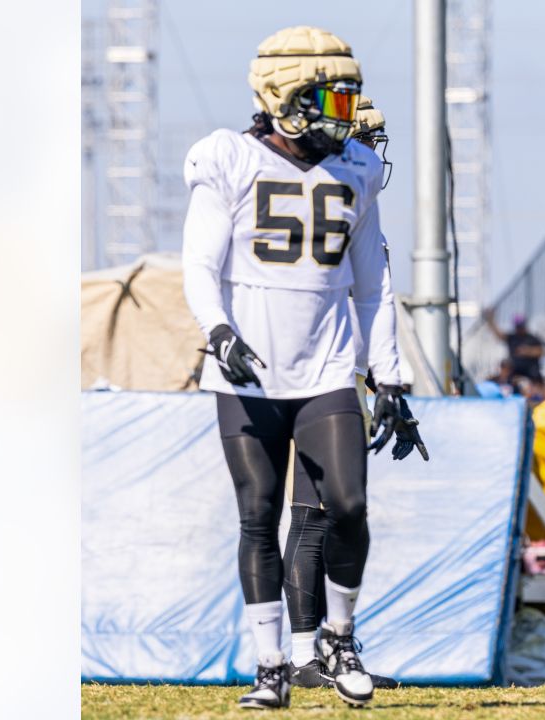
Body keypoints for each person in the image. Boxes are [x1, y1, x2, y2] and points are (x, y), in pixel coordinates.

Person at [181, 25, 426, 710]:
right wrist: (221, 332)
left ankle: (339, 638)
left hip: (325, 369)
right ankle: (271, 665)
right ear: (287, 97)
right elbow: (199, 264)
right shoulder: (227, 158)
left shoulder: (355, 170)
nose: (346, 118)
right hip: (248, 373)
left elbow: (372, 285)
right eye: (334, 101)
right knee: (258, 515)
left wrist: (391, 378)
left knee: (347, 504)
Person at [483, 311, 545, 383]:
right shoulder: (512, 337)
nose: (519, 329)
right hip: (515, 373)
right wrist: (491, 321)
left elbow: (542, 351)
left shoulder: (532, 338)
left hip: (531, 373)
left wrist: (527, 351)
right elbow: (499, 335)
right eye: (517, 327)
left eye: (520, 326)